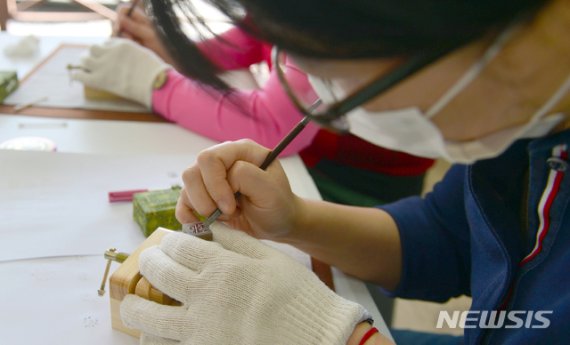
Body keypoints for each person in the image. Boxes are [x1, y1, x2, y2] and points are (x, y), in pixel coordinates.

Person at [117, 0, 569, 344]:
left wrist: (328, 333)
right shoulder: (526, 123)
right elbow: (447, 239)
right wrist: (295, 220)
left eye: (343, 79)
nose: (334, 102)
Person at [73, 5, 435, 209]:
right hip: (314, 158)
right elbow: (250, 41)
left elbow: (272, 127)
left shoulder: (328, 18)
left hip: (361, 185)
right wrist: (171, 48)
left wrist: (155, 84)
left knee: (358, 290)